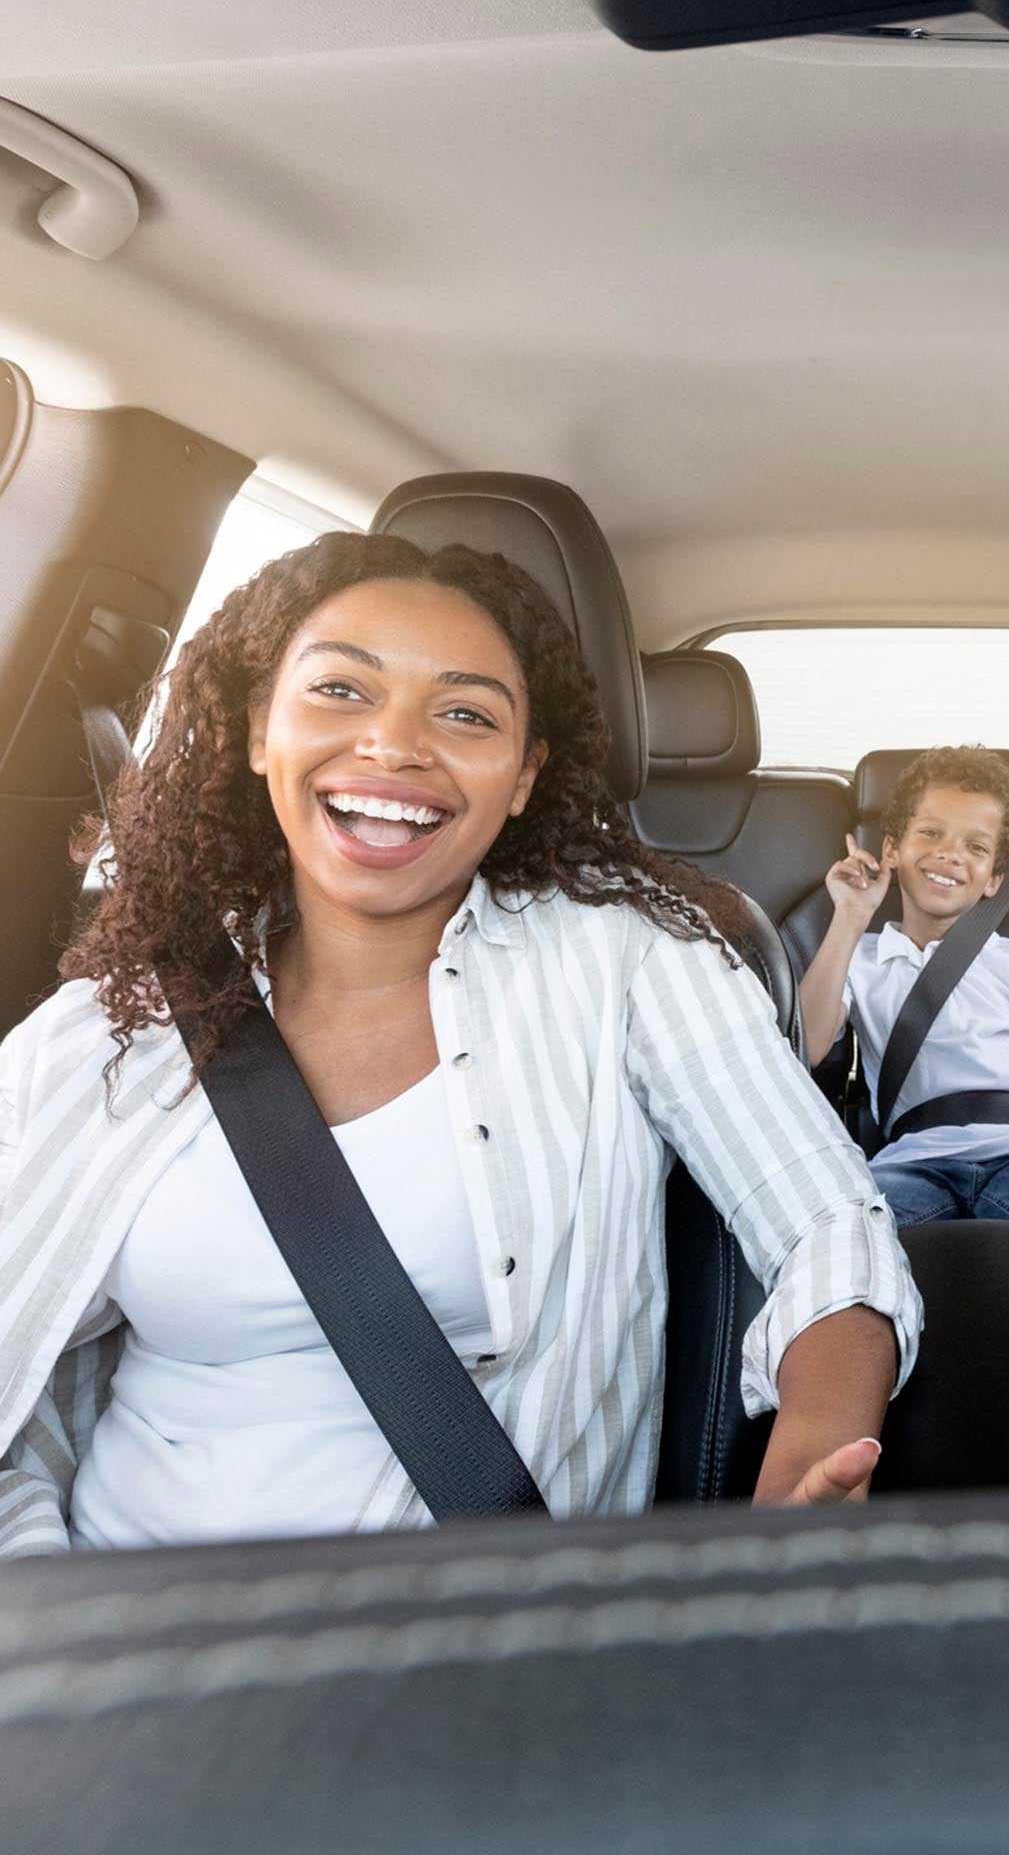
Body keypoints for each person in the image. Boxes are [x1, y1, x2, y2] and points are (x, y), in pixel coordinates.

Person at [0, 531, 921, 1555]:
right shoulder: (107, 1024)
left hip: (459, 1643)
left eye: (464, 711)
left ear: (525, 773)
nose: (393, 745)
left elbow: (827, 1222)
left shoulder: (625, 959)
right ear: (261, 726)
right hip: (102, 1641)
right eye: (342, 690)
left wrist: (809, 1461)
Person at [798, 746, 1009, 1316]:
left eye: (975, 847)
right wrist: (849, 916)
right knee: (845, 1266)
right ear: (892, 850)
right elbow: (809, 1045)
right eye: (931, 834)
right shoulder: (863, 958)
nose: (950, 855)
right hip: (907, 1162)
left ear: (996, 878)